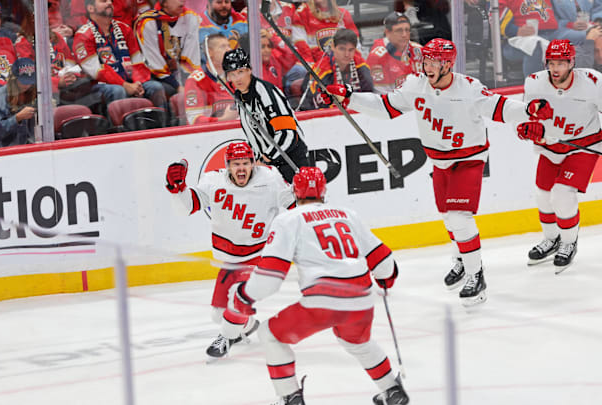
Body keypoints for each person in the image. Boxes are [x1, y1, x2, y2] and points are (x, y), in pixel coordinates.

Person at [323, 39, 554, 306]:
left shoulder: (468, 88)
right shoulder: (415, 85)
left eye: (434, 62)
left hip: (469, 159)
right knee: (448, 217)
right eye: (426, 61)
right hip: (439, 161)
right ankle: (460, 258)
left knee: (459, 216)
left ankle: (475, 274)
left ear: (447, 64)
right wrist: (349, 96)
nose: (427, 66)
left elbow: (499, 107)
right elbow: (385, 108)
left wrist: (528, 110)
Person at [229, 166, 408, 405]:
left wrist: (244, 295)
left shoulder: (288, 220)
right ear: (324, 190)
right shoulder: (347, 214)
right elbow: (385, 265)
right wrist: (387, 278)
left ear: (294, 192)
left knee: (269, 335)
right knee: (358, 342)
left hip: (323, 302)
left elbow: (270, 280)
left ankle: (289, 397)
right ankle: (392, 390)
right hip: (361, 300)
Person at [164, 142, 296, 360]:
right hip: (230, 260)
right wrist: (177, 188)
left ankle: (226, 338)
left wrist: (304, 193)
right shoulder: (213, 181)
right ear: (227, 166)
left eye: (246, 163)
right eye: (236, 164)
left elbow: (293, 204)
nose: (241, 168)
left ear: (253, 164)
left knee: (237, 297)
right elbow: (186, 207)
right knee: (218, 314)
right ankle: (249, 325)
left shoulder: (270, 178)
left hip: (259, 255)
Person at [516, 40, 602, 271]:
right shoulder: (534, 82)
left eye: (561, 63)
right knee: (543, 195)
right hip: (551, 147)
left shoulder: (593, 82)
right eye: (552, 63)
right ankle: (551, 239)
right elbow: (529, 117)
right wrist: (528, 130)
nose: (555, 69)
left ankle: (569, 242)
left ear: (572, 62)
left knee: (562, 194)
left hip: (583, 145)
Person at [223, 47, 310, 183]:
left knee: (301, 203)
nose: (237, 78)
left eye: (241, 72)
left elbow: (288, 133)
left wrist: (265, 159)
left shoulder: (266, 93)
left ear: (249, 70)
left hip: (291, 161)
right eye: (233, 74)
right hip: (270, 166)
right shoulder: (240, 97)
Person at [73, 0, 167, 110]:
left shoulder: (125, 29)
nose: (109, 3)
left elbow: (138, 62)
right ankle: (121, 127)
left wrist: (138, 84)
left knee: (155, 87)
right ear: (91, 9)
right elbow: (96, 72)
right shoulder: (83, 36)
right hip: (97, 86)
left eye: (110, 1)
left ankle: (162, 125)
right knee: (117, 90)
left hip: (130, 81)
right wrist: (125, 85)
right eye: (104, 1)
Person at [135, 0, 201, 95]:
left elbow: (192, 53)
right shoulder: (147, 22)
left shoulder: (190, 17)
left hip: (182, 72)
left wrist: (191, 82)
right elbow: (154, 61)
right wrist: (178, 86)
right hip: (155, 74)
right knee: (163, 89)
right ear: (164, 2)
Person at [301, 28, 374, 111]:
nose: (347, 54)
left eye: (351, 50)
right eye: (342, 49)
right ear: (333, 47)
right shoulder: (323, 70)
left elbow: (370, 96)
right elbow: (322, 106)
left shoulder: (361, 66)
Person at [184, 33, 236, 124]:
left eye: (229, 46)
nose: (229, 50)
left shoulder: (236, 76)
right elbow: (193, 120)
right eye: (223, 47)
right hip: (208, 135)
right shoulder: (195, 80)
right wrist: (223, 120)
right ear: (210, 52)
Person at [366, 12, 423, 93]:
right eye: (399, 30)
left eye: (407, 30)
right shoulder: (377, 57)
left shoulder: (420, 50)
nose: (404, 35)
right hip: (393, 102)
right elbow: (381, 96)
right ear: (387, 32)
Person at [0, 57, 37, 148]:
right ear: (14, 79)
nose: (27, 85)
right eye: (23, 81)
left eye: (30, 81)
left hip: (34, 145)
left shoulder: (38, 93)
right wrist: (17, 118)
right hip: (9, 148)